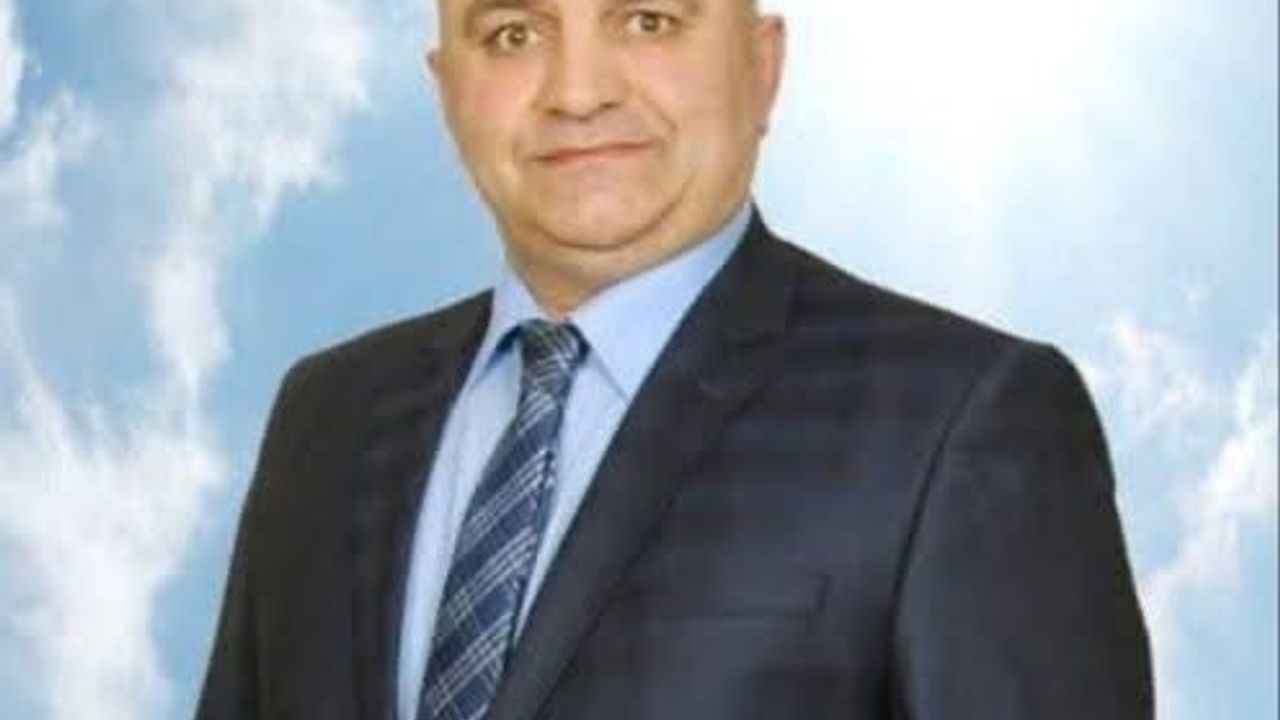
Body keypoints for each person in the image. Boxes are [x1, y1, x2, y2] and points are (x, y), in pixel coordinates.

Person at [196, 0, 1153, 718]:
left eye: (648, 20)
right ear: (445, 86)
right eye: (514, 35)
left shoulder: (958, 420)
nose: (578, 93)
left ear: (763, 64)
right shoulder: (327, 415)